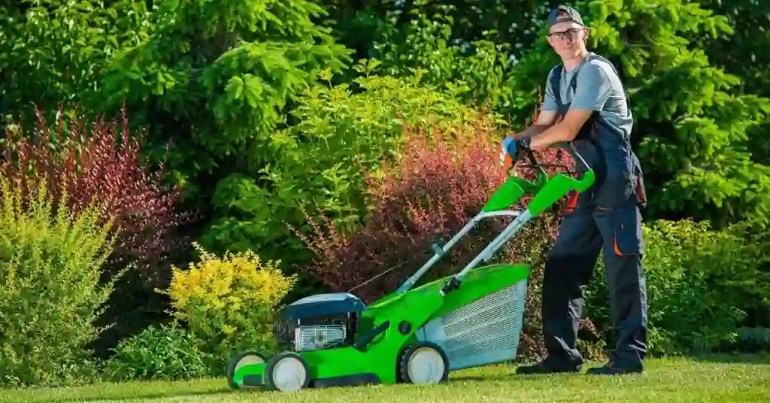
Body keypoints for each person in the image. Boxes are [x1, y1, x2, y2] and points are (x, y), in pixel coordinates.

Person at [501, 5, 649, 375]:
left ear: (585, 34)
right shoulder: (557, 77)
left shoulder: (595, 71)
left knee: (622, 267)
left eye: (572, 31)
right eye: (558, 34)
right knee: (562, 264)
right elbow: (544, 125)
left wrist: (529, 145)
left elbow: (567, 130)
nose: (566, 38)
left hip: (616, 179)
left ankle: (628, 357)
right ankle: (561, 355)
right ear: (550, 41)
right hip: (587, 180)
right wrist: (514, 141)